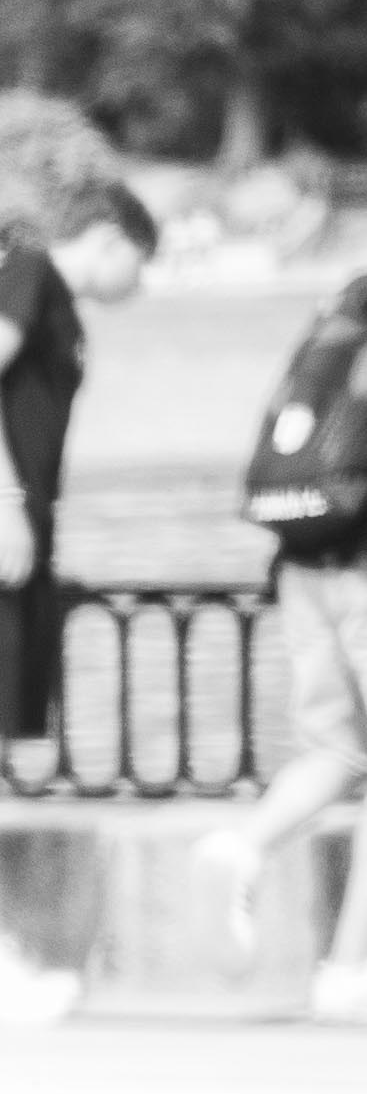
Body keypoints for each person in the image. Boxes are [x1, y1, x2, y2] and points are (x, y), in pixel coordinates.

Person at [0, 180, 159, 1024]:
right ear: (111, 239)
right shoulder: (26, 275)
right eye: (139, 263)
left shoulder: (43, 295)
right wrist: (5, 501)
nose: (139, 285)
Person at [198, 268, 367, 1025]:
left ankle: (242, 846)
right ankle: (349, 972)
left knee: (337, 750)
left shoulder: (332, 331)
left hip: (303, 568)